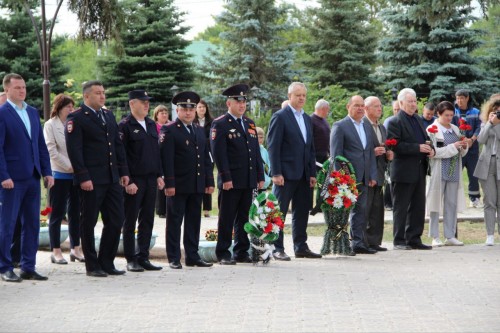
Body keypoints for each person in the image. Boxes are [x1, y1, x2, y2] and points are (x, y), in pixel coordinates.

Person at [65, 80, 130, 277]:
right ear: (86, 96)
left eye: (103, 92)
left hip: (111, 178)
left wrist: (124, 171)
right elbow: (74, 150)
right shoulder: (76, 118)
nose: (102, 96)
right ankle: (92, 265)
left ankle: (107, 261)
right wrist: (83, 176)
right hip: (91, 180)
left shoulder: (108, 115)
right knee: (89, 221)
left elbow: (117, 146)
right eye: (98, 93)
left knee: (117, 219)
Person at [0, 73, 54, 282]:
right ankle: (5, 267)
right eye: (17, 88)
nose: (22, 91)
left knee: (32, 223)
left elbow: (40, 144)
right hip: (11, 179)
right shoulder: (3, 113)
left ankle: (28, 266)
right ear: (7, 90)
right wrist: (3, 175)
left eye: (23, 87)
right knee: (8, 224)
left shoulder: (32, 112)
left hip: (33, 176)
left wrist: (47, 171)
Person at [210, 84, 264, 265]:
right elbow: (219, 154)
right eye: (237, 101)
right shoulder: (221, 123)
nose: (242, 105)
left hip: (248, 180)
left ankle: (241, 250)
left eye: (244, 102)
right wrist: (225, 177)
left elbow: (255, 151)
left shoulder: (249, 123)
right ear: (228, 103)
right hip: (231, 181)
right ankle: (223, 252)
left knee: (244, 217)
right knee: (226, 217)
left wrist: (260, 175)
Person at [267, 82, 321, 260]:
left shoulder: (306, 118)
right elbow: (273, 147)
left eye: (304, 95)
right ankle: (277, 248)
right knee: (279, 212)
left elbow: (310, 147)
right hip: (285, 175)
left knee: (301, 211)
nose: (301, 98)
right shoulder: (280, 116)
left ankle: (300, 246)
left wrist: (312, 173)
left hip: (304, 175)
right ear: (289, 96)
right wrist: (276, 173)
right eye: (298, 95)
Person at [161, 91, 215, 269]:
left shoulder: (199, 130)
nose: (188, 112)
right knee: (175, 222)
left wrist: (209, 181)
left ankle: (192, 255)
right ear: (177, 110)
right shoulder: (170, 130)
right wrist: (169, 183)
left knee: (194, 221)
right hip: (178, 185)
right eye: (184, 109)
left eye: (191, 109)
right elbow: (166, 159)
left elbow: (206, 159)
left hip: (196, 184)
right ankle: (174, 257)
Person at [119, 90, 164, 272]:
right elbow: (121, 155)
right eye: (142, 102)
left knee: (147, 220)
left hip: (151, 178)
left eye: (147, 102)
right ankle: (131, 258)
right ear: (132, 104)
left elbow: (156, 152)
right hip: (134, 180)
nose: (146, 105)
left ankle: (143, 256)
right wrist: (127, 180)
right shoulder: (125, 126)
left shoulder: (151, 124)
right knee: (130, 221)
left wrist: (160, 174)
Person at [387, 88, 434, 250]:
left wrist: (430, 148)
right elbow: (395, 145)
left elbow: (426, 140)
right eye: (410, 102)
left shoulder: (418, 120)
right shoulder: (395, 121)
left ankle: (414, 238)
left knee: (418, 205)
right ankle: (399, 240)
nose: (414, 104)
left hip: (419, 170)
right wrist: (418, 148)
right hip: (403, 171)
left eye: (415, 101)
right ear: (401, 103)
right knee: (401, 207)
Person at [330, 95, 377, 254]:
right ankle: (341, 244)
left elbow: (369, 152)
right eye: (356, 105)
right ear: (348, 107)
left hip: (363, 177)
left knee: (361, 211)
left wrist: (372, 174)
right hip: (347, 178)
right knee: (344, 212)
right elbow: (336, 154)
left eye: (362, 105)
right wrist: (342, 178)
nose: (359, 108)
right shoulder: (340, 126)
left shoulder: (366, 126)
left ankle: (358, 243)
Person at [43, 94, 84, 265]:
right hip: (59, 173)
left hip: (75, 175)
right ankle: (56, 250)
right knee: (57, 213)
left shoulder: (72, 123)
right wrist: (70, 165)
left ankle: (75, 248)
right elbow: (51, 150)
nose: (71, 110)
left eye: (72, 107)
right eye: (68, 107)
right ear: (59, 107)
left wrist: (78, 167)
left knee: (76, 212)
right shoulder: (50, 125)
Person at [426, 101, 469, 247]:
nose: (449, 118)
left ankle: (450, 235)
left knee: (451, 203)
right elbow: (434, 153)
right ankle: (434, 236)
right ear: (438, 114)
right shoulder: (432, 129)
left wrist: (464, 146)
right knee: (435, 203)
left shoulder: (456, 129)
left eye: (451, 115)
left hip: (454, 170)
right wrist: (453, 147)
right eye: (446, 115)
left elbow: (461, 151)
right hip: (439, 170)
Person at [363, 96, 393, 252]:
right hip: (367, 172)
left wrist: (388, 154)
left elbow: (385, 146)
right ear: (366, 109)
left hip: (380, 172)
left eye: (380, 106)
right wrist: (372, 152)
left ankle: (374, 241)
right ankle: (362, 241)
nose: (379, 109)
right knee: (365, 208)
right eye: (375, 106)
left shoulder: (381, 127)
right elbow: (360, 149)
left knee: (377, 209)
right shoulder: (363, 125)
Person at [473, 97, 500, 246]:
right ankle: (490, 234)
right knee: (489, 201)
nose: (497, 114)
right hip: (487, 165)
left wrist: (496, 125)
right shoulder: (486, 124)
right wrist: (490, 123)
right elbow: (481, 140)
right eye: (494, 112)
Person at [454, 89, 482, 208]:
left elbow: (479, 127)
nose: (459, 100)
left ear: (467, 98)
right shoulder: (452, 111)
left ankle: (474, 198)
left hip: (472, 148)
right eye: (458, 98)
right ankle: (453, 198)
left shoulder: (475, 112)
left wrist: (472, 139)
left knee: (473, 174)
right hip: (457, 148)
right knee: (455, 174)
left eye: (462, 98)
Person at [310, 99, 331, 215]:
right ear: (323, 109)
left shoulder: (324, 121)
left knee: (324, 182)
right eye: (327, 110)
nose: (328, 112)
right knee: (313, 181)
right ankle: (309, 206)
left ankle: (320, 204)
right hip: (314, 157)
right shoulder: (311, 120)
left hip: (324, 156)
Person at [194, 99, 214, 218]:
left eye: (204, 107)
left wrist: (204, 140)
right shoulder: (193, 121)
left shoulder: (211, 122)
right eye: (200, 107)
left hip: (208, 154)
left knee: (208, 179)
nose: (202, 109)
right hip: (196, 154)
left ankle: (207, 208)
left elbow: (212, 137)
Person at [383, 100, 400, 210]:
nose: (397, 111)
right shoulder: (389, 121)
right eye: (395, 109)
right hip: (391, 153)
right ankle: (388, 202)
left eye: (399, 109)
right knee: (389, 178)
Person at [152, 104, 169, 218]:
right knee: (160, 183)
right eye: (161, 113)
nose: (164, 115)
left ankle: (169, 208)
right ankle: (161, 209)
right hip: (157, 157)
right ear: (156, 115)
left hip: (168, 157)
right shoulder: (153, 126)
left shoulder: (171, 126)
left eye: (165, 113)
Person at [256, 127, 271, 191]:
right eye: (257, 137)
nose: (260, 140)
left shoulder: (264, 151)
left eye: (261, 137)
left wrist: (268, 180)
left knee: (262, 201)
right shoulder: (250, 151)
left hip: (264, 184)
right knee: (254, 201)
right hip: (254, 185)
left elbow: (268, 166)